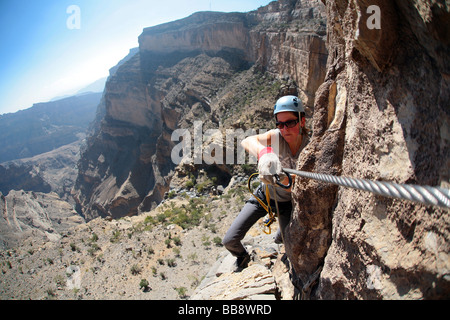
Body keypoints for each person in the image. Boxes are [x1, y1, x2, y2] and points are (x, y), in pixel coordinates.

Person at [222, 95, 309, 270]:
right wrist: (265, 153)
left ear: (302, 121)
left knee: (286, 244)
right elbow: (247, 141)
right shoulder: (276, 137)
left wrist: (284, 179)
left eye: (290, 123)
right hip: (265, 197)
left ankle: (281, 234)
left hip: (288, 203)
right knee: (230, 240)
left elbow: (305, 187)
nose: (284, 129)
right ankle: (243, 257)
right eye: (280, 124)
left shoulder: (310, 147)